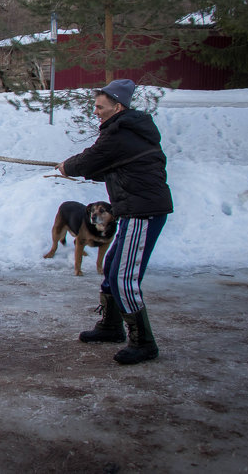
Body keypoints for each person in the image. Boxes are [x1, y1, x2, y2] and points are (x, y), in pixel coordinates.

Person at [57, 79, 173, 364]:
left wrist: (68, 167)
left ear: (117, 107)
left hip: (142, 212)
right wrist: (77, 168)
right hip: (134, 209)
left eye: (100, 107)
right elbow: (110, 166)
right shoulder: (126, 130)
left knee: (124, 276)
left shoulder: (120, 133)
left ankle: (143, 342)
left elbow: (92, 159)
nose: (95, 111)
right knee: (111, 267)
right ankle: (111, 326)